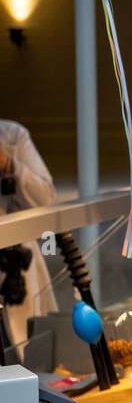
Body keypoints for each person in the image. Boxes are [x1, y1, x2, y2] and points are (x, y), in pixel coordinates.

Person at [0, 120, 56, 356]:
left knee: (28, 357)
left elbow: (45, 198)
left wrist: (9, 164)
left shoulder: (12, 135)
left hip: (15, 266)